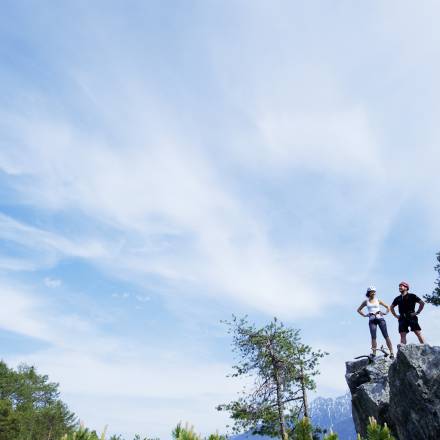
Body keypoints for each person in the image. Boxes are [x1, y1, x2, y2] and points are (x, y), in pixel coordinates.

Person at [357, 286, 395, 359]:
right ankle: (374, 353)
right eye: (372, 291)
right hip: (372, 320)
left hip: (380, 319)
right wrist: (365, 315)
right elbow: (358, 310)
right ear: (369, 293)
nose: (374, 293)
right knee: (373, 337)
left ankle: (392, 352)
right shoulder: (366, 302)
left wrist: (385, 313)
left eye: (374, 291)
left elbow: (387, 306)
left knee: (386, 335)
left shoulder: (378, 300)